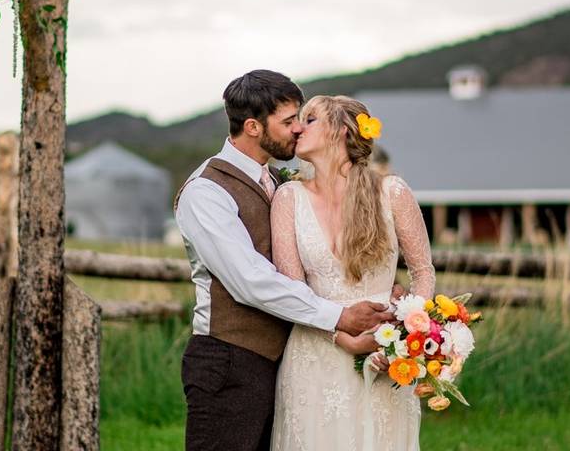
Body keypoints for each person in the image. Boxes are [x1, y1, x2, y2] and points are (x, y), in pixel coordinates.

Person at [175, 71, 394, 451]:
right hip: (228, 362)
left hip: (282, 363)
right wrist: (339, 316)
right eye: (289, 121)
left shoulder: (279, 183)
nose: (298, 129)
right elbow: (250, 281)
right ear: (254, 126)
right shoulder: (206, 192)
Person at [270, 95, 436, 450]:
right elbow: (292, 290)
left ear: (341, 132)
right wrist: (340, 337)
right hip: (313, 355)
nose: (298, 127)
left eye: (310, 119)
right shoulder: (288, 198)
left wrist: (403, 338)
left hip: (383, 356)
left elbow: (423, 273)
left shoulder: (391, 192)